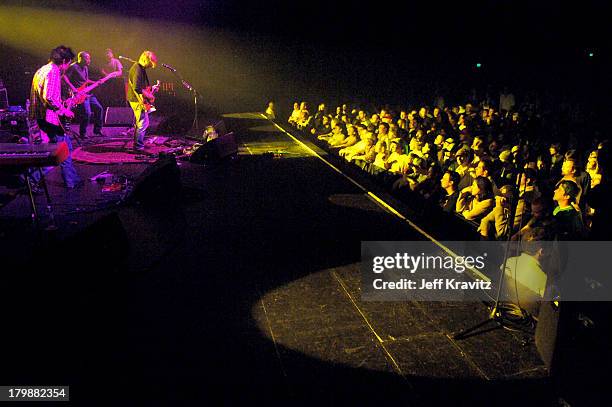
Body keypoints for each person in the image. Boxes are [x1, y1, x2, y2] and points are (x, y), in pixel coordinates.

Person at [29, 45, 81, 188]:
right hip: (50, 120)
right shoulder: (53, 72)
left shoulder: (42, 70)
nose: (68, 67)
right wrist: (65, 111)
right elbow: (50, 97)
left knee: (56, 151)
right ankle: (70, 182)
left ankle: (71, 180)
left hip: (40, 117)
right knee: (63, 151)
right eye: (69, 63)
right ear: (64, 60)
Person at [64, 51, 105, 138]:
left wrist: (96, 82)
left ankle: (97, 131)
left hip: (87, 93)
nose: (89, 60)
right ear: (80, 58)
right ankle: (83, 133)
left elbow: (85, 81)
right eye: (87, 58)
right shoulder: (73, 67)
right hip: (79, 94)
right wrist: (74, 89)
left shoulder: (85, 67)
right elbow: (65, 77)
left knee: (99, 109)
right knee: (87, 113)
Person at [127, 50, 158, 152]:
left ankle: (138, 145)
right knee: (143, 122)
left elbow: (141, 87)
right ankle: (138, 147)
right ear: (146, 59)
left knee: (141, 122)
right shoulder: (138, 69)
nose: (150, 66)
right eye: (150, 63)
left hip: (137, 99)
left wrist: (152, 88)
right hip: (136, 100)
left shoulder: (141, 68)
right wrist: (149, 95)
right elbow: (137, 88)